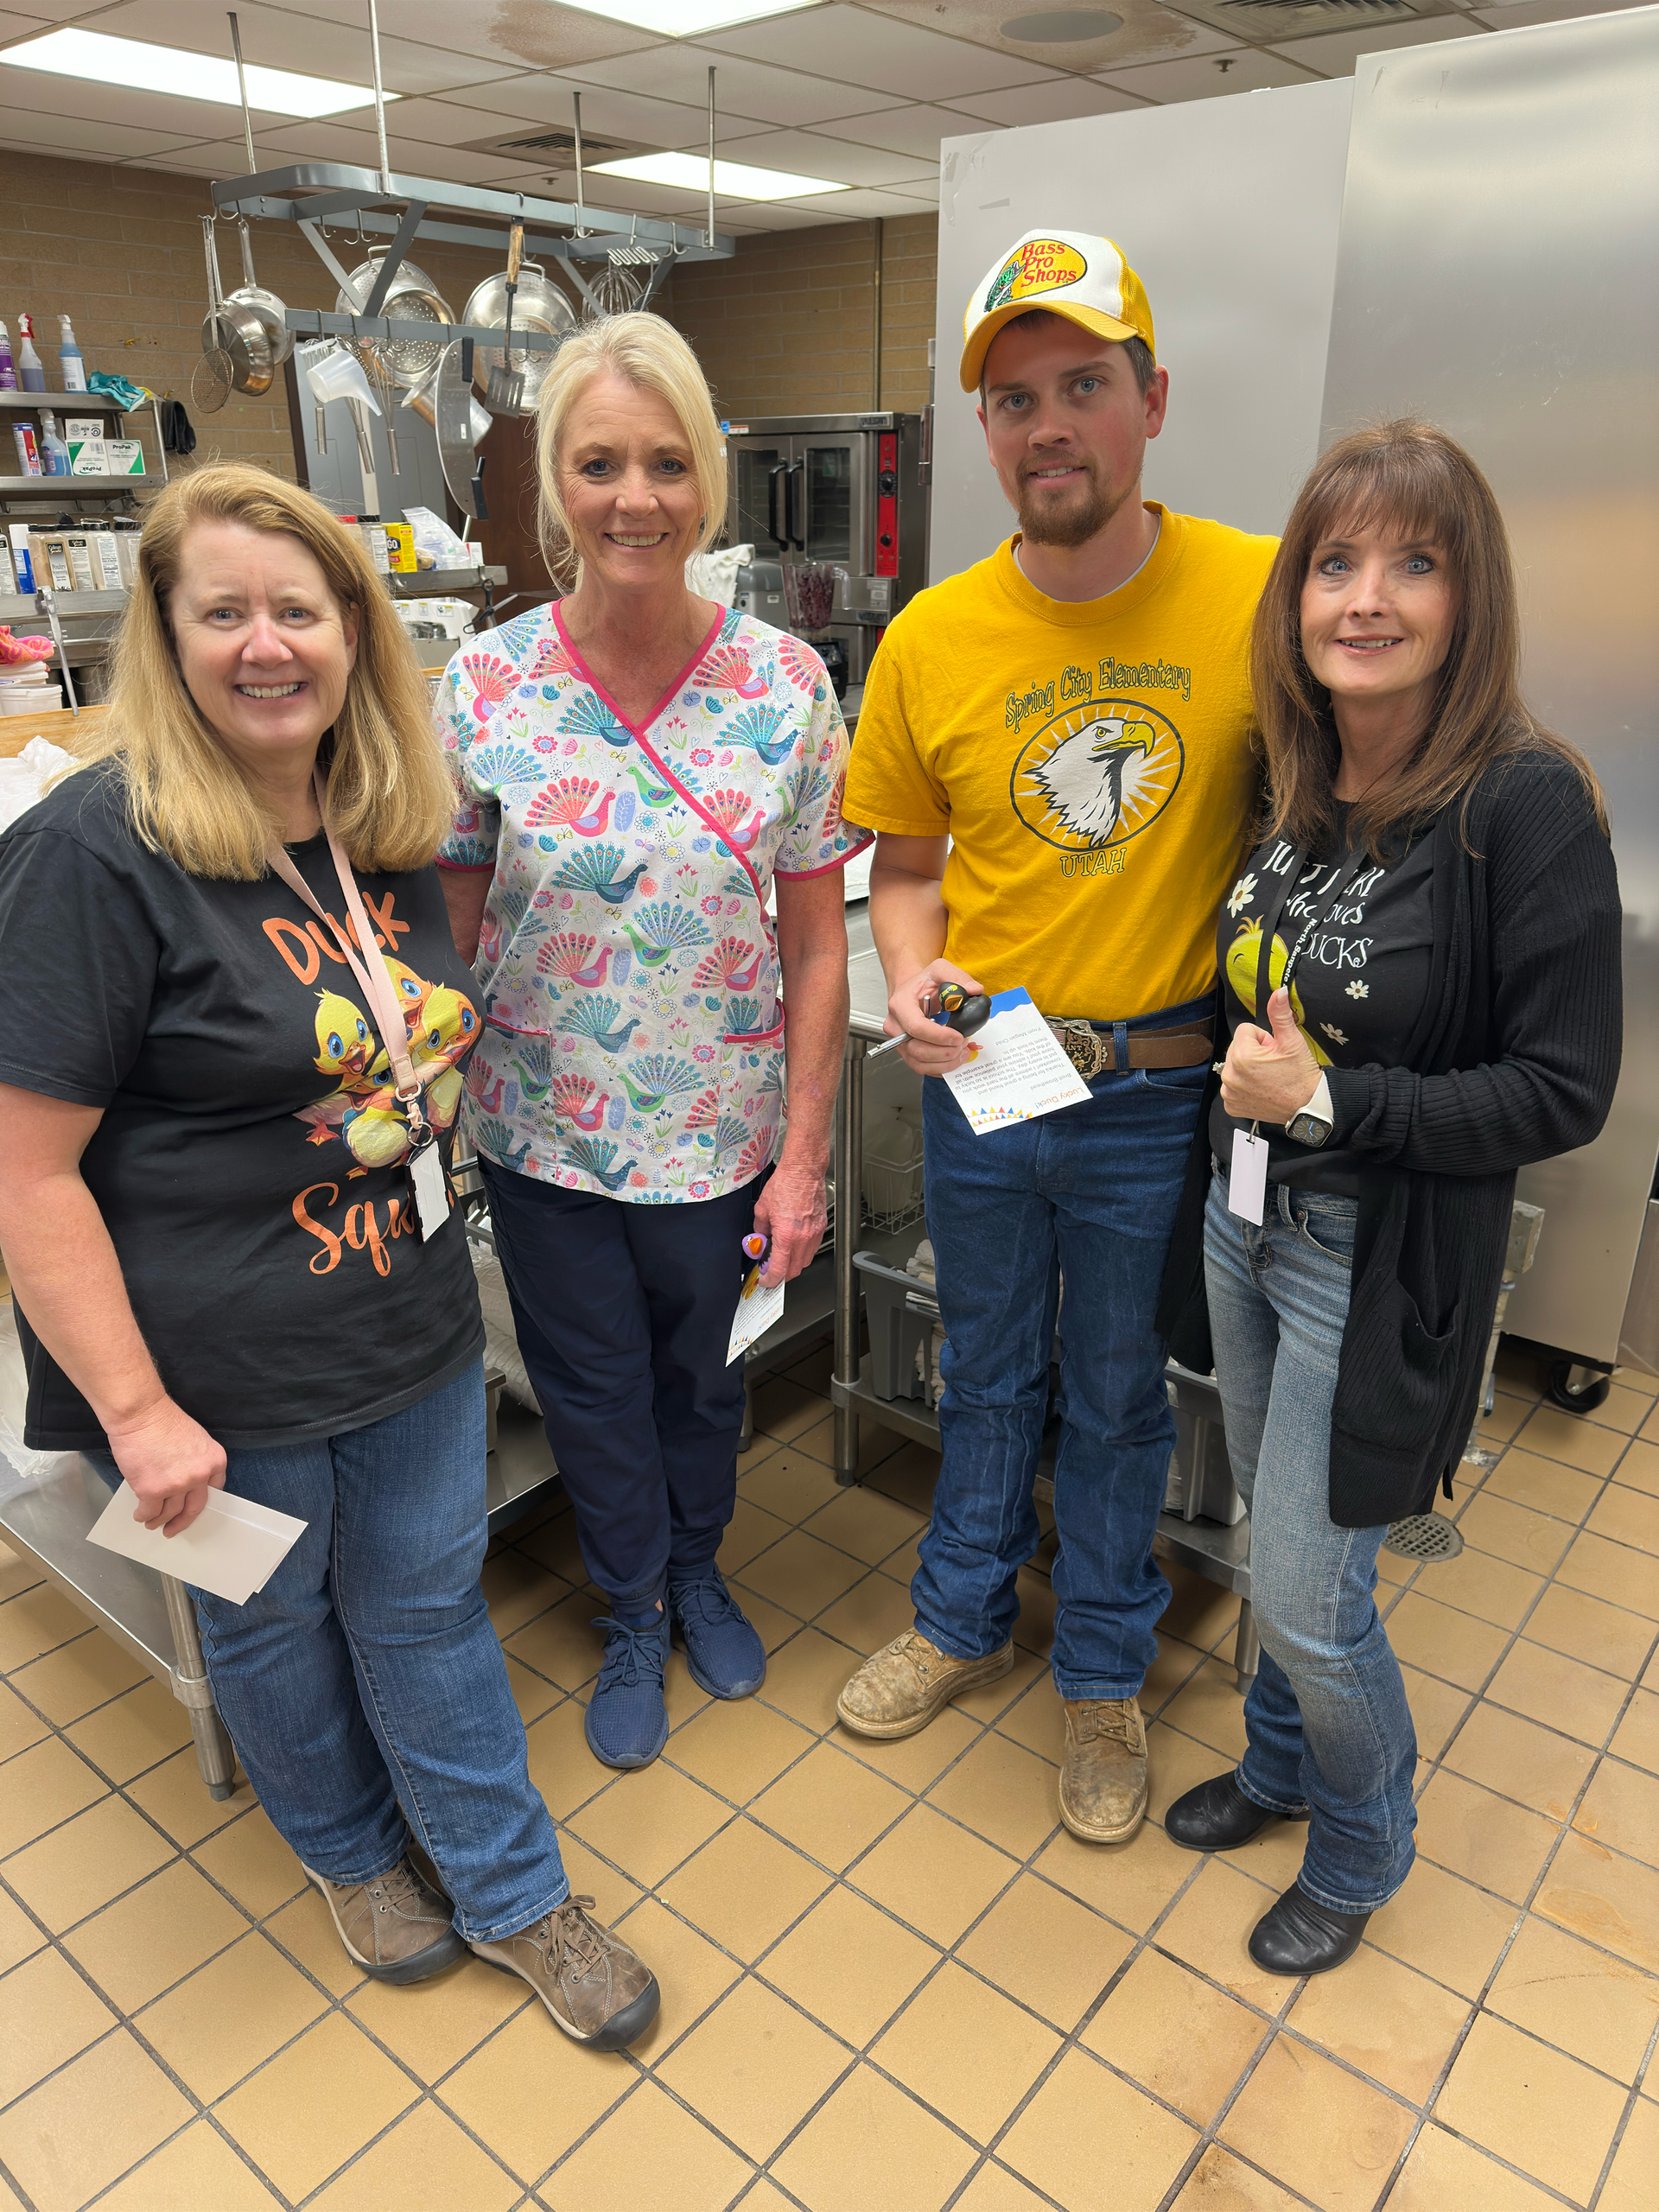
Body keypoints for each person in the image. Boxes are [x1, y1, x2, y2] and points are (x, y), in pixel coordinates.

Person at [0, 466, 658, 2050]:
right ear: (165, 634)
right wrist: (138, 1416)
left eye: (300, 609)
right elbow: (26, 1175)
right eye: (222, 612)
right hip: (211, 1368)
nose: (267, 644)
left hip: (410, 1322)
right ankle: (355, 1860)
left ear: (357, 635)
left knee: (423, 1609)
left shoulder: (381, 819)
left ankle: (511, 1895)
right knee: (268, 1622)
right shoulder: (97, 852)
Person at [1155, 420, 1621, 1974]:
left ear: (1466, 596)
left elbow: (1564, 1091)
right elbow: (1261, 1004)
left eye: (1413, 564)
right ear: (1296, 597)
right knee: (1281, 1557)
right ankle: (1282, 1771)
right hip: (1246, 1219)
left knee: (1303, 1586)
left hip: (1373, 1255)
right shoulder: (1292, 778)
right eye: (1338, 563)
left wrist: (1336, 1100)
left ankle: (1365, 1845)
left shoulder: (1524, 804)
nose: (1369, 598)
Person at [835, 231, 1277, 1847]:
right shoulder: (936, 638)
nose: (1048, 427)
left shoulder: (1257, 592)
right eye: (1015, 399)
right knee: (990, 1365)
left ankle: (1098, 1668)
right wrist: (917, 980)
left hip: (1162, 1095)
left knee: (1116, 1393)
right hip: (992, 1086)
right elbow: (900, 869)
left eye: (1083, 384)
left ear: (1151, 400)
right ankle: (959, 1618)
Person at [439, 313, 868, 1770]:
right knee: (590, 1386)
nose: (637, 497)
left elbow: (819, 942)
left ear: (709, 484)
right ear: (557, 484)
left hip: (721, 1133)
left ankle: (699, 1566)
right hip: (543, 1132)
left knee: (703, 1376)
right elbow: (446, 935)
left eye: (667, 463)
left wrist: (803, 1156)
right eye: (600, 463)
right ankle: (632, 1605)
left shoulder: (783, 689)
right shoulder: (486, 688)